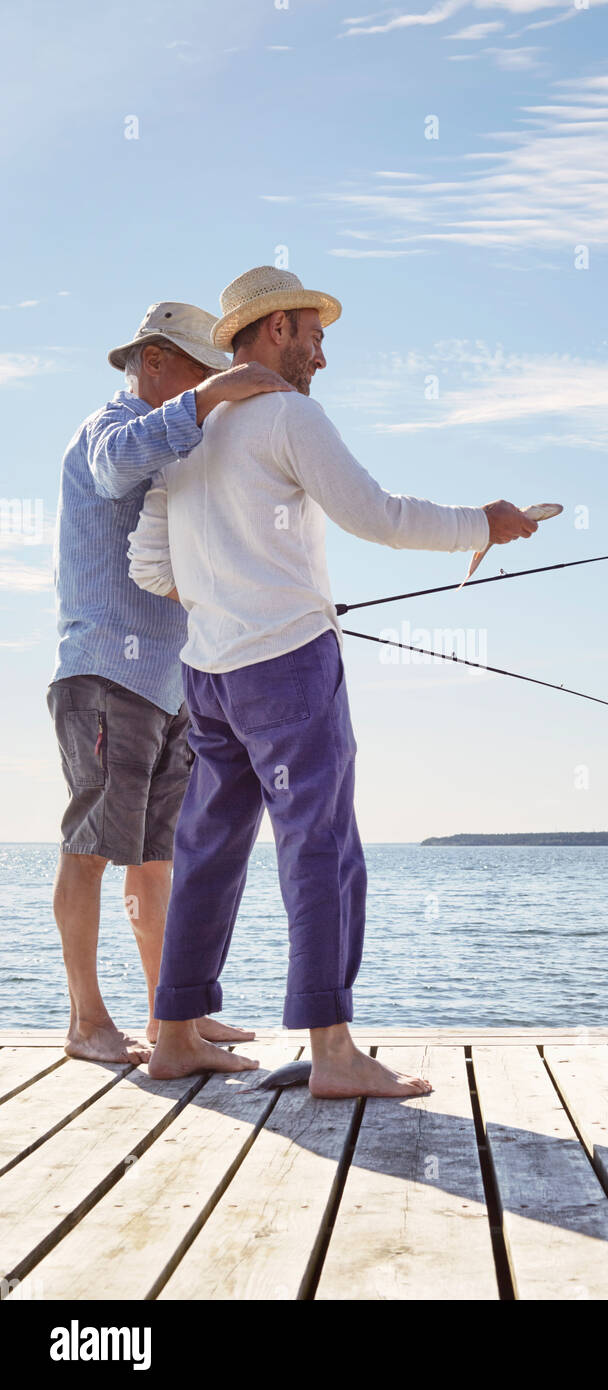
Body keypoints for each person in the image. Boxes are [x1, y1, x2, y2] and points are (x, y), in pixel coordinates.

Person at [128, 266, 537, 1096]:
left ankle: (173, 1036)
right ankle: (335, 1051)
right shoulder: (286, 414)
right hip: (288, 667)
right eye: (316, 334)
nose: (323, 354)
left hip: (207, 674)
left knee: (206, 850)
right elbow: (375, 516)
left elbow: (148, 564)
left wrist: (224, 598)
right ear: (276, 328)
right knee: (321, 848)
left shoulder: (186, 432)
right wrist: (484, 524)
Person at [48, 300, 294, 1063]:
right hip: (103, 678)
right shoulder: (108, 429)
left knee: (160, 862)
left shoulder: (171, 449)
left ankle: (170, 1018)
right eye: (199, 368)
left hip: (168, 688)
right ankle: (86, 1022)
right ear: (153, 361)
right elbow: (119, 464)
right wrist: (214, 398)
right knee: (89, 848)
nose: (211, 384)